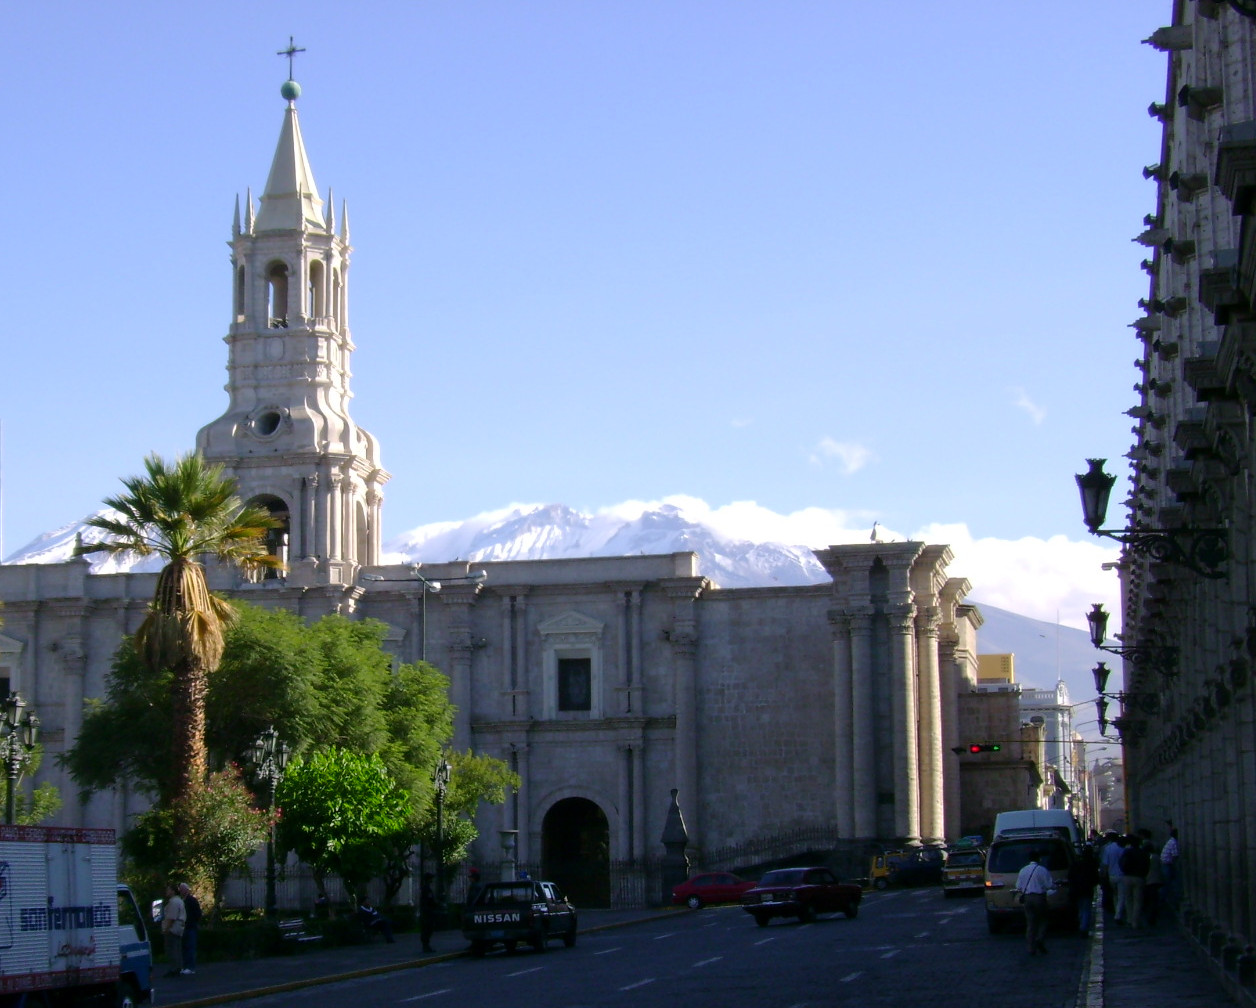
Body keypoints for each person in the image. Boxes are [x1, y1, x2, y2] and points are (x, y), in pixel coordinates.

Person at [1015, 849, 1056, 956]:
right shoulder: (1042, 870)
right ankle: (1040, 938)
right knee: (1043, 920)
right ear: (1039, 858)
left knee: (1031, 923)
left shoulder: (1023, 870)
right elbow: (1049, 885)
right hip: (1039, 897)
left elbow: (1018, 886)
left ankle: (1030, 947)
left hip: (1027, 898)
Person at [1119, 833, 1151, 928]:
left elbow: (1121, 863)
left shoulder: (1126, 852)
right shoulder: (1143, 853)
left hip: (1127, 877)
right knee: (1138, 901)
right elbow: (1147, 865)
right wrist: (1144, 875)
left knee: (1128, 900)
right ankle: (1135, 922)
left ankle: (1129, 919)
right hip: (1139, 877)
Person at [1068, 845, 1100, 937]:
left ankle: (1082, 924)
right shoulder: (1092, 864)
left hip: (1076, 889)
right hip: (1087, 889)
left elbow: (1070, 876)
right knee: (1086, 909)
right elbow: (1095, 878)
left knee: (1080, 908)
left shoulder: (1076, 864)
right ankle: (1084, 927)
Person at [160, 883, 187, 977]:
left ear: (173, 891)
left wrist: (166, 929)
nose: (166, 891)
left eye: (168, 889)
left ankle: (174, 969)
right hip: (178, 928)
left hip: (173, 929)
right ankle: (178, 967)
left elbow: (172, 917)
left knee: (171, 949)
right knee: (177, 948)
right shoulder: (179, 901)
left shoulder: (173, 902)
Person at [177, 883, 201, 975]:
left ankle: (191, 967)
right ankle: (185, 966)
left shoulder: (192, 900)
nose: (181, 891)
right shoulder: (181, 900)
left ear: (187, 890)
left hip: (190, 927)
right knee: (184, 947)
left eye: (183, 889)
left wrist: (192, 921)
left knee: (190, 947)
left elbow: (197, 913)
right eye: (180, 889)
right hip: (183, 927)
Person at [1160, 827, 1180, 908]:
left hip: (1165, 863)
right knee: (1168, 882)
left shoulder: (1171, 841)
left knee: (1167, 882)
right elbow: (1175, 855)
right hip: (1167, 864)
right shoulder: (1174, 842)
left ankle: (1164, 899)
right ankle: (1164, 899)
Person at [419, 873, 439, 953]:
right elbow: (429, 900)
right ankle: (426, 945)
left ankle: (426, 945)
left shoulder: (425, 888)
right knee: (428, 928)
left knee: (427, 928)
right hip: (428, 911)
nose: (432, 880)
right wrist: (435, 904)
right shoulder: (426, 889)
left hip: (426, 911)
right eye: (431, 878)